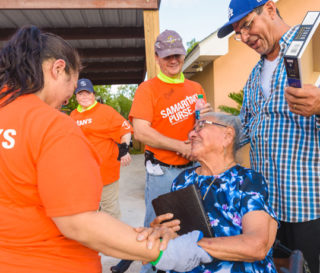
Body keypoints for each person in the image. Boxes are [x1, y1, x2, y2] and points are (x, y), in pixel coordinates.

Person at [0, 25, 209, 273]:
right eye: (72, 86)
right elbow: (79, 223)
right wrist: (163, 252)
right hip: (55, 262)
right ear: (58, 69)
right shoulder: (51, 125)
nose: (68, 100)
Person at [217, 0, 320, 272]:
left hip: (309, 205)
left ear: (271, 9)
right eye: (239, 32)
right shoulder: (253, 76)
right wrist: (212, 131)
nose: (245, 37)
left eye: (248, 25)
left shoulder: (313, 45)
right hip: (267, 209)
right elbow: (246, 128)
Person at [144, 112, 278, 272]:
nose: (191, 134)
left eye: (201, 126)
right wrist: (162, 232)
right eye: (192, 129)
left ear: (227, 136)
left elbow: (256, 246)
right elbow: (174, 236)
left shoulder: (248, 181)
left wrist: (188, 244)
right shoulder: (183, 179)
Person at [129, 29, 211, 273]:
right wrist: (179, 146)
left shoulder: (196, 87)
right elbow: (141, 132)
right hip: (162, 173)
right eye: (167, 56)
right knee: (157, 229)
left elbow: (201, 124)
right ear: (156, 58)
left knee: (193, 227)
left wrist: (206, 121)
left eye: (177, 54)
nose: (173, 60)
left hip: (194, 169)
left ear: (184, 54)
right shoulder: (147, 89)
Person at [70, 78, 132, 219]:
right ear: (76, 96)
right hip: (84, 175)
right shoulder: (74, 115)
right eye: (80, 94)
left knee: (109, 210)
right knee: (90, 210)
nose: (84, 96)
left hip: (105, 173)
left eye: (87, 93)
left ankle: (115, 239)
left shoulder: (105, 111)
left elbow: (125, 130)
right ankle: (97, 239)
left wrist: (124, 149)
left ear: (93, 94)